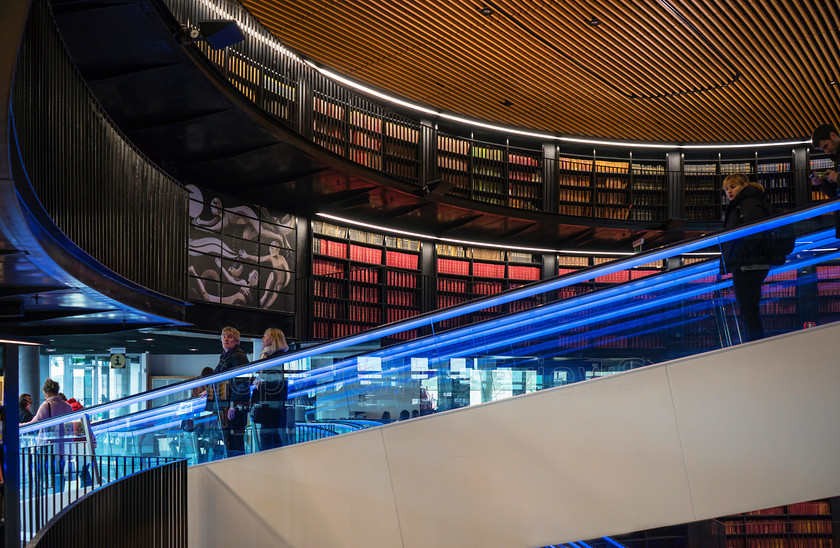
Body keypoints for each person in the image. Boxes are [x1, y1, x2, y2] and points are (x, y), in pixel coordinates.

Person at [720, 173, 775, 342]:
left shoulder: (748, 203)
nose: (729, 192)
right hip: (747, 263)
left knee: (748, 311)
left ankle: (754, 346)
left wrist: (739, 254)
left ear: (745, 185)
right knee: (748, 310)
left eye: (733, 187)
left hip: (748, 264)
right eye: (726, 189)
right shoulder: (742, 204)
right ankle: (754, 345)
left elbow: (756, 232)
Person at [250, 328, 290, 451]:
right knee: (272, 438)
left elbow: (276, 384)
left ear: (273, 339)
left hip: (271, 406)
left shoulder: (276, 358)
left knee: (267, 439)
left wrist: (259, 385)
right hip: (269, 406)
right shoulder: (268, 356)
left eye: (265, 336)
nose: (263, 338)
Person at [213, 327, 250, 455]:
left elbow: (241, 383)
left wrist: (233, 405)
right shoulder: (225, 356)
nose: (226, 339)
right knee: (230, 440)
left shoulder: (238, 357)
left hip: (233, 406)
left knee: (235, 441)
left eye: (230, 337)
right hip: (226, 405)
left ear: (237, 341)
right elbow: (221, 380)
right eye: (224, 337)